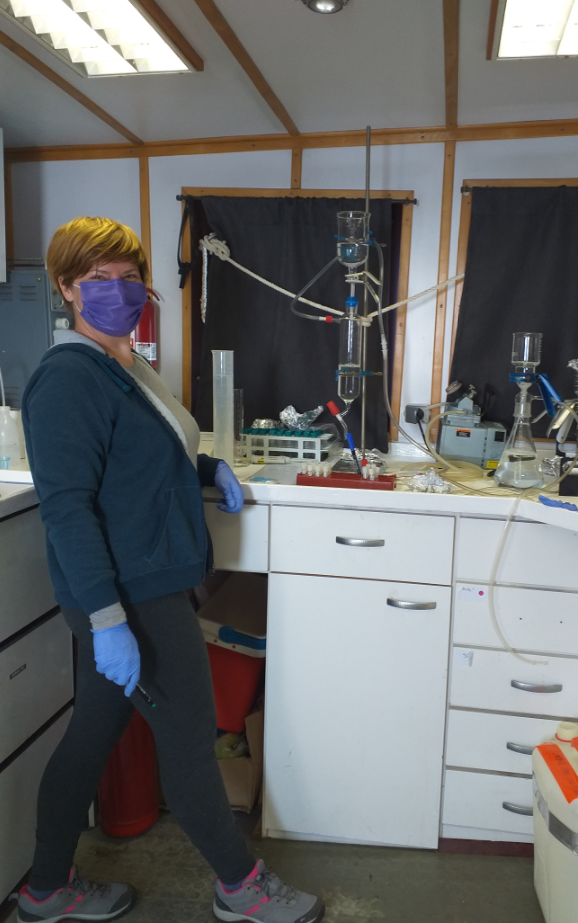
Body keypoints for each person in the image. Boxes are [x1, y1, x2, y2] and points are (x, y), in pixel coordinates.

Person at [16, 217, 324, 923]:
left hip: (143, 584)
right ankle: (240, 888)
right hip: (129, 597)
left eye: (128, 277)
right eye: (98, 279)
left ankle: (45, 889)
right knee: (188, 741)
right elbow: (68, 511)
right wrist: (107, 621)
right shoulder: (67, 379)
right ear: (66, 288)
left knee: (90, 738)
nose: (117, 290)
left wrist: (208, 468)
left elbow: (144, 456)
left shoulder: (123, 365)